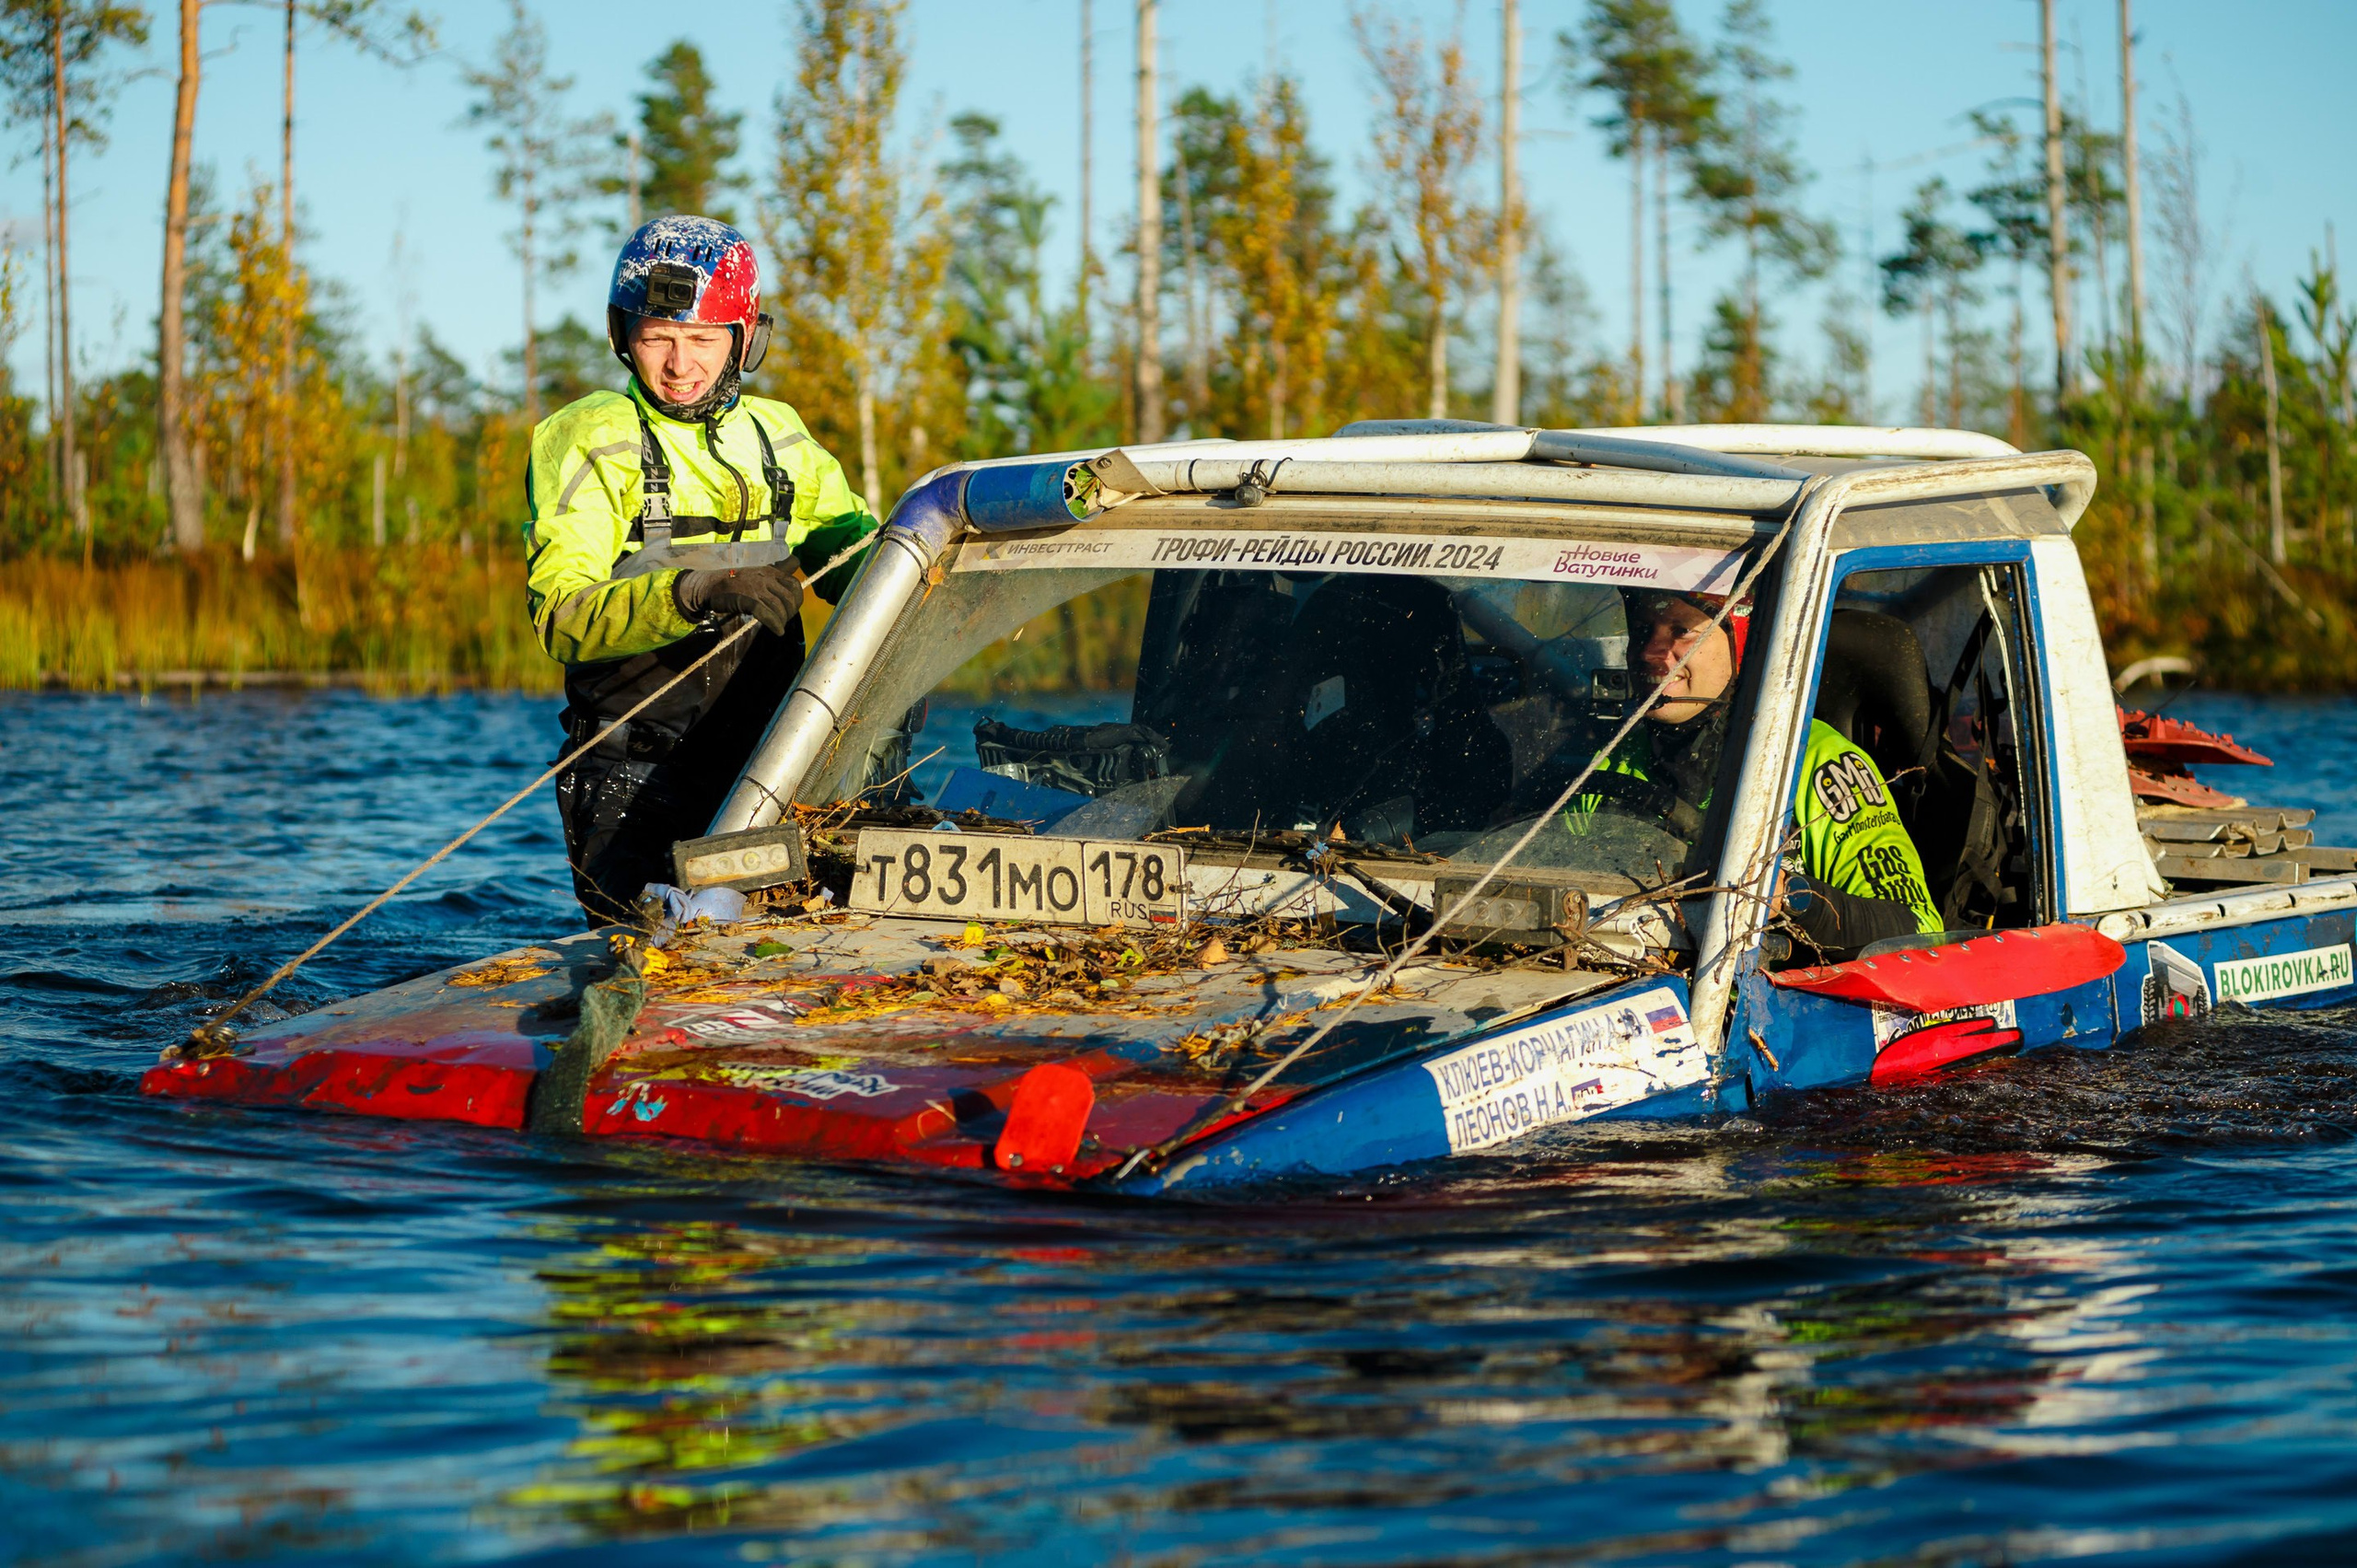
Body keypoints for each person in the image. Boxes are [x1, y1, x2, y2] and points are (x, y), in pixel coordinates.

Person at [526, 215, 878, 921]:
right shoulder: (590, 439)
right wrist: (695, 590)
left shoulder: (781, 438)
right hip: (636, 777)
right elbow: (562, 617)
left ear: (745, 341)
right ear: (621, 336)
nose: (679, 365)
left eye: (702, 339)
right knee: (655, 960)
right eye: (657, 338)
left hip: (774, 768)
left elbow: (863, 566)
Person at [1587, 589, 1942, 958]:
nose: (1650, 652)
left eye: (1681, 631)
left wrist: (1787, 895)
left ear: (1741, 638)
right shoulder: (1610, 756)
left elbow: (1920, 928)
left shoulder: (1817, 761)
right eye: (1644, 630)